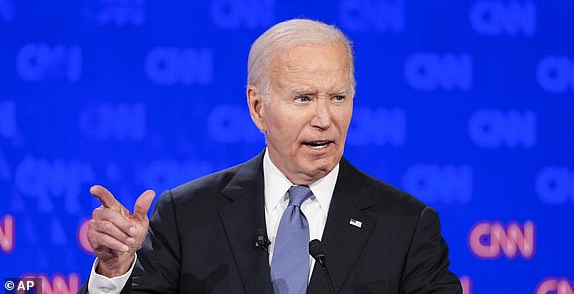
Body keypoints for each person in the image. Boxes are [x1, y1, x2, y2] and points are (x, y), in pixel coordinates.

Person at [81, 18, 461, 293]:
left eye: (339, 98)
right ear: (257, 106)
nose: (325, 119)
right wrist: (116, 270)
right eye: (304, 98)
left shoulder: (407, 226)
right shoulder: (187, 214)